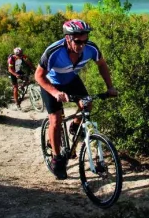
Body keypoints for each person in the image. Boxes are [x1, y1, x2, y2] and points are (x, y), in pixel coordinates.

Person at [35, 19, 117, 180]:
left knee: (88, 104)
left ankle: (74, 125)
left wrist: (110, 87)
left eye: (85, 41)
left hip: (71, 80)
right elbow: (38, 75)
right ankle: (57, 159)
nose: (82, 45)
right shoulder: (54, 51)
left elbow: (101, 64)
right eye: (78, 41)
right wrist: (54, 92)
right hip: (51, 83)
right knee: (56, 120)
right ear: (67, 38)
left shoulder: (91, 48)